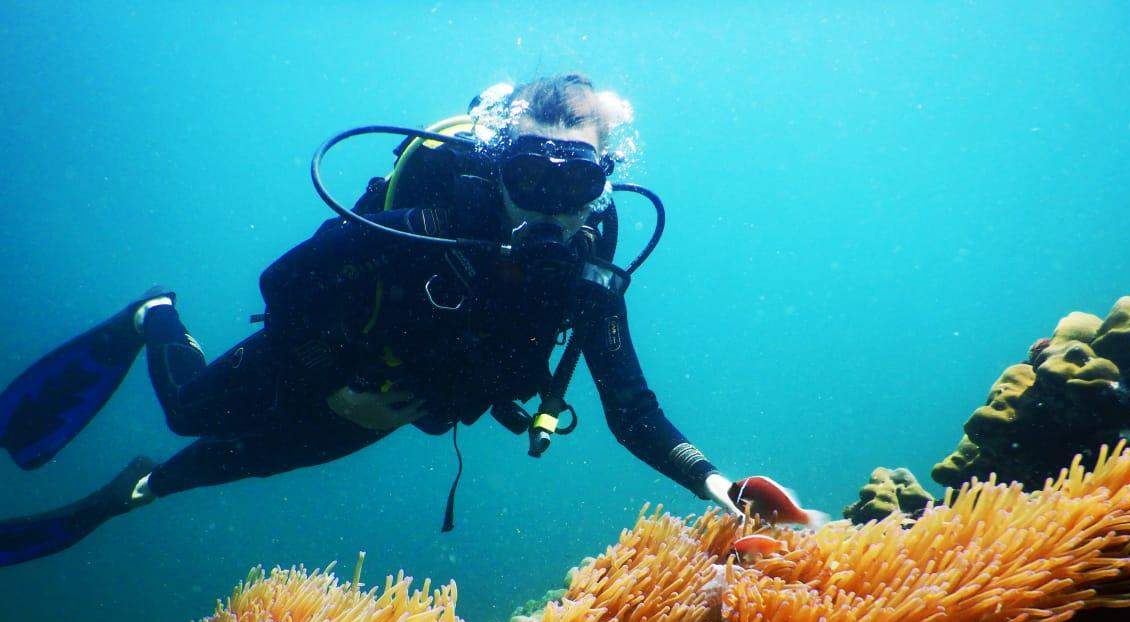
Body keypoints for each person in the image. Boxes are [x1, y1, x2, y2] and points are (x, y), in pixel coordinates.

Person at [0, 74, 820, 567]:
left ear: (603, 187)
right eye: (530, 173)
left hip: (392, 411)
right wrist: (398, 253)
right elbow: (281, 284)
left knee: (212, 469)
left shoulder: (588, 271)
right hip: (316, 359)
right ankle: (156, 316)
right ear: (500, 163)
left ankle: (129, 489)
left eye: (573, 186)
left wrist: (721, 486)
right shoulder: (429, 210)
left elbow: (633, 410)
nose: (548, 203)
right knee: (190, 413)